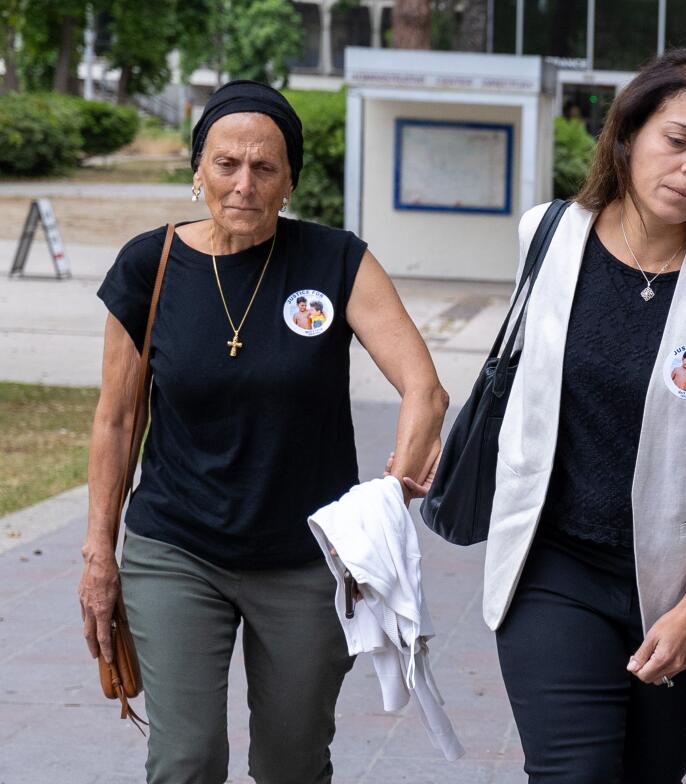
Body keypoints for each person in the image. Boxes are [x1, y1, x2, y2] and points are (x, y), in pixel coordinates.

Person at [77, 80, 448, 784]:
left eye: (264, 168)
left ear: (288, 181)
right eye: (226, 164)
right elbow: (117, 420)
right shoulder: (146, 266)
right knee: (186, 759)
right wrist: (100, 553)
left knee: (291, 762)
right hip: (176, 548)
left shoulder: (335, 261)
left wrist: (390, 497)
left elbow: (425, 388)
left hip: (307, 559)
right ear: (198, 170)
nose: (243, 184)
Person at [479, 48, 686, 782]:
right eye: (677, 140)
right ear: (628, 135)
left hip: (685, 589)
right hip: (552, 567)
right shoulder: (549, 236)